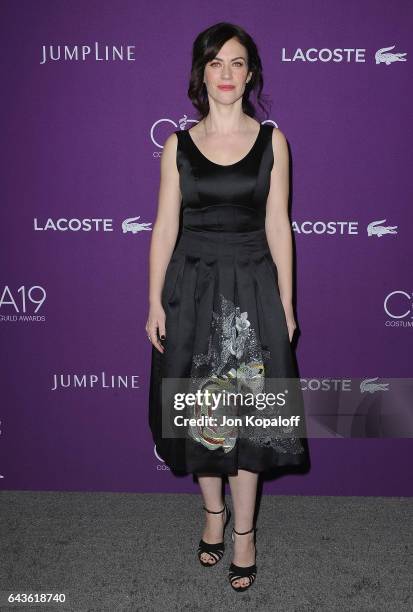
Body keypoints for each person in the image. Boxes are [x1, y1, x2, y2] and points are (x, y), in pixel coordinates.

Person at [146, 22, 310, 592]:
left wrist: (286, 304)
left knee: (251, 418)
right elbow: (165, 227)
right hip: (190, 287)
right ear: (201, 73)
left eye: (237, 63)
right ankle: (212, 516)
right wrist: (153, 302)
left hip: (253, 287)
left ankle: (245, 532)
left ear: (250, 73)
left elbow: (279, 226)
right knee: (202, 415)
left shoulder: (273, 141)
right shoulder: (177, 146)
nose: (226, 73)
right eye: (216, 63)